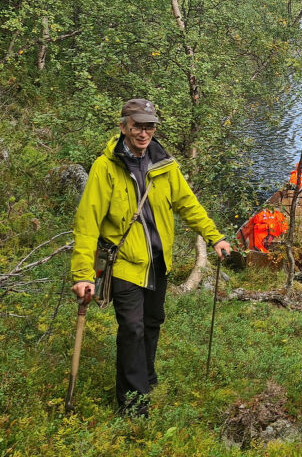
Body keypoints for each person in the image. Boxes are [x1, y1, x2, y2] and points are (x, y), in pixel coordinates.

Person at [70, 98, 231, 416]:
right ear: (124, 126)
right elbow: (87, 223)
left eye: (149, 126)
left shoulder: (165, 164)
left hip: (159, 262)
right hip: (125, 263)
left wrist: (215, 237)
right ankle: (132, 403)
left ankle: (145, 378)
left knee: (153, 322)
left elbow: (187, 204)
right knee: (132, 328)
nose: (143, 132)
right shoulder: (106, 167)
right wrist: (83, 274)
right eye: (137, 125)